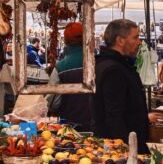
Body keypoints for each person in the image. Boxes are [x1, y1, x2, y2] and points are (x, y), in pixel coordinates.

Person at [93, 18, 148, 152]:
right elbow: (114, 116)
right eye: (135, 38)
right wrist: (126, 150)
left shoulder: (111, 65)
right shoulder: (114, 70)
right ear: (120, 40)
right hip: (123, 148)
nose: (139, 42)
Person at [47, 22, 93, 130]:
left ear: (66, 41)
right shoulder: (97, 62)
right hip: (97, 124)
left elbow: (53, 103)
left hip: (71, 126)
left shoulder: (61, 67)